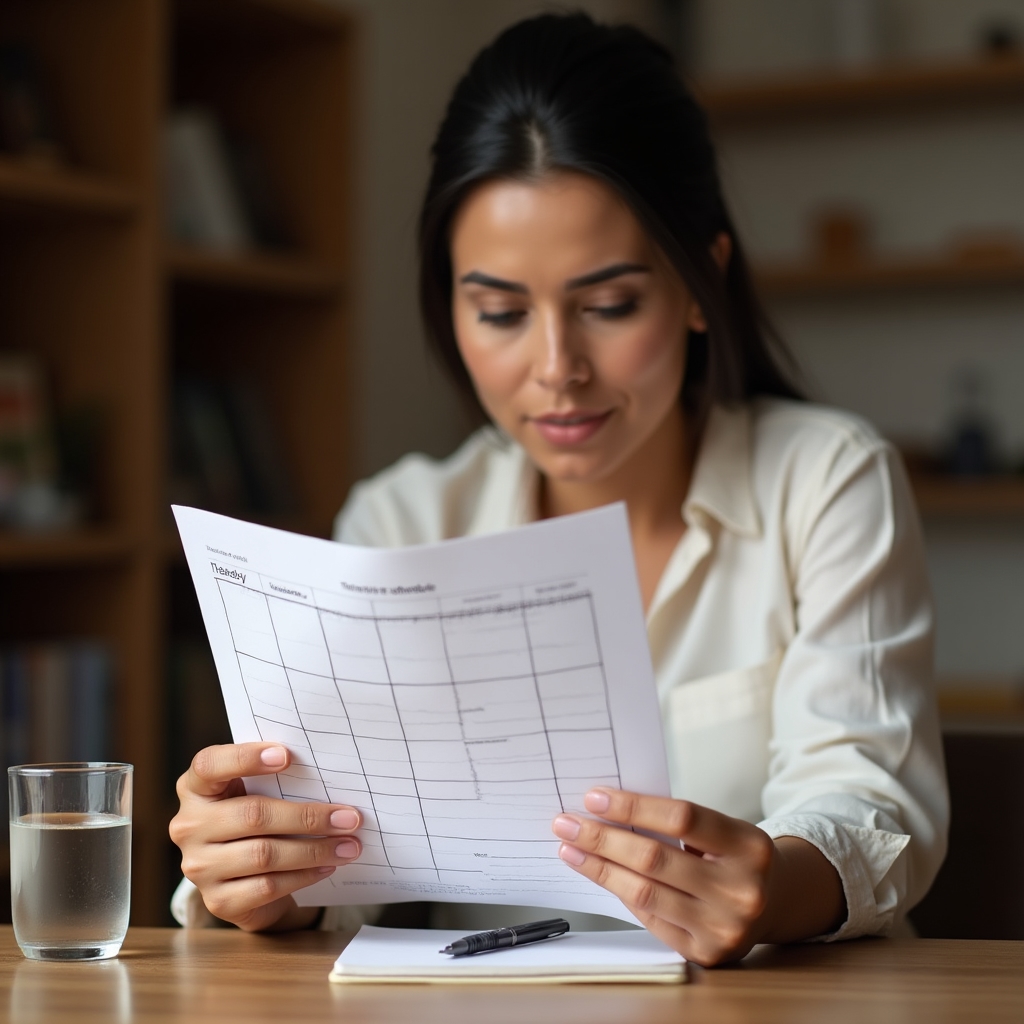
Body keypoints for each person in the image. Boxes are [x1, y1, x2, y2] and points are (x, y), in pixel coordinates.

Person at [169, 13, 948, 966]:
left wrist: (777, 885)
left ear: (703, 285)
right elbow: (333, 868)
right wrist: (261, 877)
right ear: (448, 306)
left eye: (609, 306)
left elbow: (867, 798)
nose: (555, 369)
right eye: (499, 311)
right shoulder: (399, 525)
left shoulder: (824, 482)